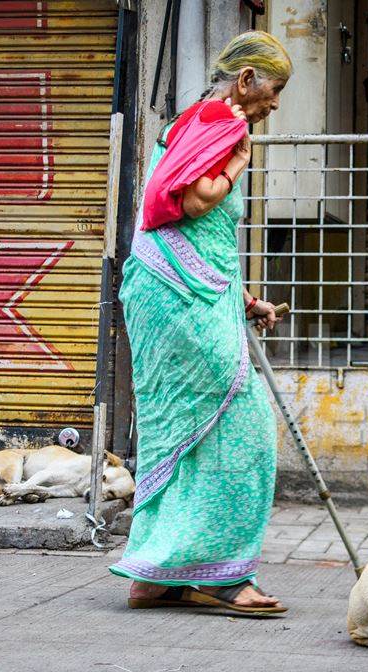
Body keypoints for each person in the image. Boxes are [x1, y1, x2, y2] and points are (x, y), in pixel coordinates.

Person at [109, 31, 292, 614]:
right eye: (274, 89)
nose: (275, 103)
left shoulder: (190, 122)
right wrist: (237, 165)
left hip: (173, 292)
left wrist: (240, 299)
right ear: (246, 81)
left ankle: (157, 574)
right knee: (247, 431)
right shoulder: (223, 124)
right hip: (181, 300)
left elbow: (191, 233)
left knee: (179, 436)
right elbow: (183, 203)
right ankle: (221, 576)